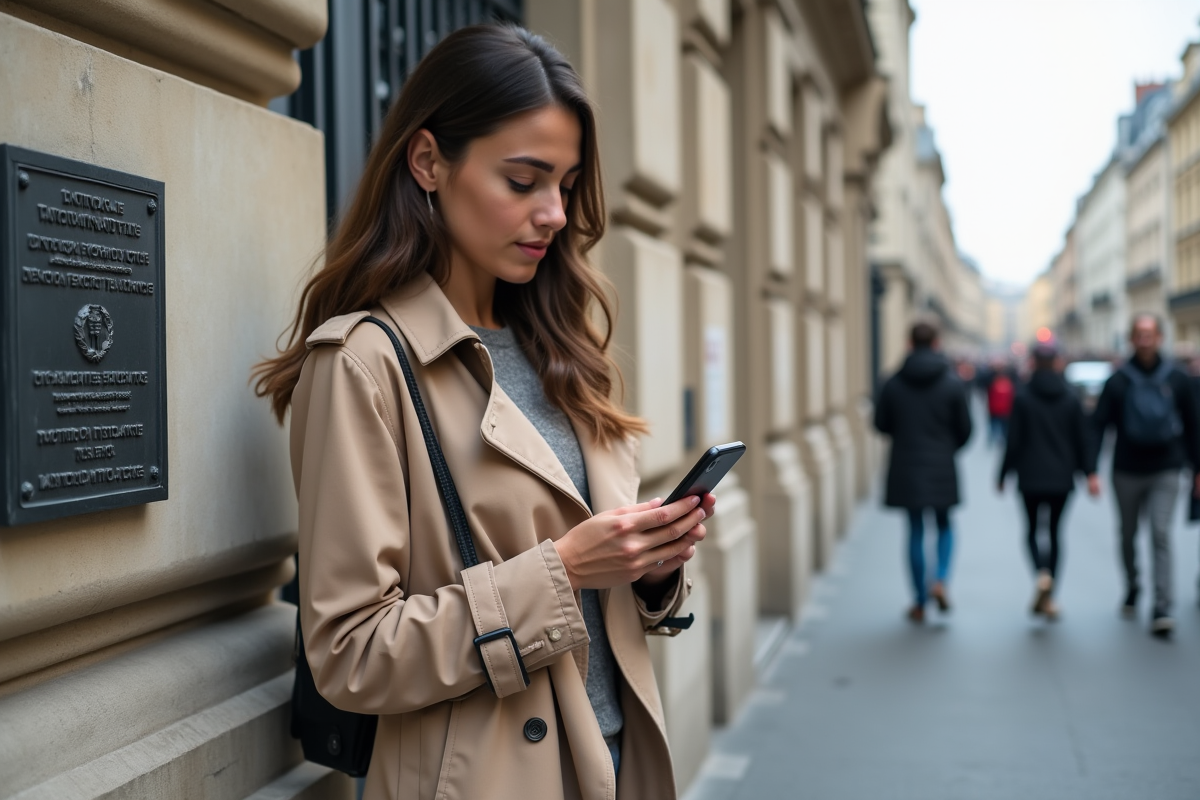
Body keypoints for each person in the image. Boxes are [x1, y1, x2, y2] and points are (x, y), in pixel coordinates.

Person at [253, 25, 714, 800]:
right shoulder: (364, 364)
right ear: (428, 161)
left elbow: (602, 606)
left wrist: (649, 573)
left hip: (614, 764)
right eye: (524, 180)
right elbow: (349, 652)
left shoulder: (561, 349)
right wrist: (564, 572)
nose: (556, 214)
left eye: (564, 184)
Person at [1086, 314, 1200, 639]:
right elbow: (1098, 426)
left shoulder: (1178, 378)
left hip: (1167, 467)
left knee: (1161, 534)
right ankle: (1133, 586)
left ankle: (1162, 605)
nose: (1145, 339)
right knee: (1128, 534)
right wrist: (1091, 469)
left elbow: (1194, 425)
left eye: (1150, 334)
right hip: (1126, 469)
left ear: (1160, 338)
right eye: (1140, 334)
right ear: (1132, 339)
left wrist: (1197, 468)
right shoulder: (1117, 380)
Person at [875, 322, 973, 623]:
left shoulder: (893, 382)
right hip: (942, 464)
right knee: (944, 525)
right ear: (936, 343)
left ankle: (919, 600)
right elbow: (966, 429)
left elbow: (881, 424)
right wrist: (947, 448)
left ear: (909, 343)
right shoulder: (952, 382)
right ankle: (940, 579)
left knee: (915, 530)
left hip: (906, 464)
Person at [998, 342, 1093, 620]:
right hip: (1062, 477)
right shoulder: (1071, 397)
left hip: (1029, 475)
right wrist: (1089, 472)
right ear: (1057, 363)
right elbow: (1082, 438)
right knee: (1054, 532)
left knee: (1031, 530)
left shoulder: (1023, 397)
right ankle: (1051, 591)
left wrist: (1003, 474)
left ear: (1032, 363)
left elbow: (1012, 440)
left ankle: (1041, 573)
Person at [987, 365, 1015, 446]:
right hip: (1005, 411)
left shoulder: (994, 385)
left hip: (995, 410)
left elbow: (990, 398)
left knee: (994, 427)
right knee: (1004, 428)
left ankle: (992, 440)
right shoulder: (1009, 386)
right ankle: (1003, 439)